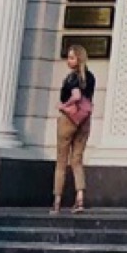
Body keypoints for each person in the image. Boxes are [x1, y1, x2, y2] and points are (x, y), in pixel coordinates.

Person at [53, 44, 95, 212]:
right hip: (84, 120)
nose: (68, 61)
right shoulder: (90, 77)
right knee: (77, 160)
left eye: (71, 57)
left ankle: (57, 202)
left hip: (69, 120)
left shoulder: (72, 77)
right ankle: (80, 198)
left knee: (61, 161)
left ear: (78, 59)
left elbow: (76, 96)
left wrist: (64, 105)